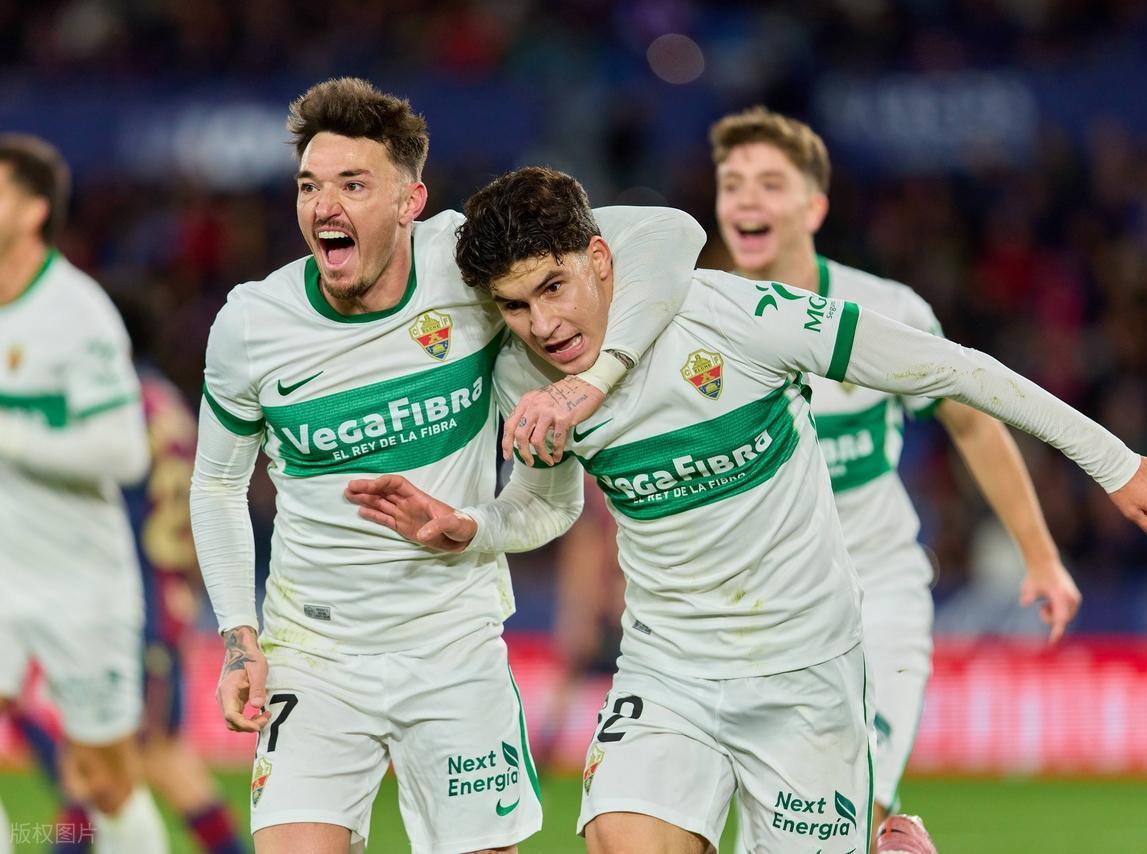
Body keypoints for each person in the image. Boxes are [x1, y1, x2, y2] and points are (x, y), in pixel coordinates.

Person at [345, 166, 1147, 854]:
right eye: (515, 306)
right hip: (668, 670)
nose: (541, 324)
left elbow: (952, 367)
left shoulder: (737, 317)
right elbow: (547, 507)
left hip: (806, 674)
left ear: (601, 259)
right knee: (621, 838)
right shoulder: (525, 376)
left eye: (553, 287)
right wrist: (478, 528)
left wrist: (1117, 463)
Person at [191, 78, 704, 854]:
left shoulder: (464, 268)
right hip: (314, 656)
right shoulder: (252, 326)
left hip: (453, 649)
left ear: (411, 201)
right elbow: (217, 483)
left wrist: (584, 391)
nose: (324, 206)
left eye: (353, 185)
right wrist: (240, 636)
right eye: (309, 186)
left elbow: (669, 234)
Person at [709, 105, 1083, 845]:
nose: (747, 199)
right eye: (732, 184)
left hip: (877, 588)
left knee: (855, 791)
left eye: (770, 184)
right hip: (755, 608)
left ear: (814, 207)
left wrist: (1040, 556)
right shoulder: (695, 319)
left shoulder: (883, 309)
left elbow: (973, 422)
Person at [14, 292, 246, 854]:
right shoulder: (168, 403)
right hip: (167, 603)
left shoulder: (116, 407)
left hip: (125, 604)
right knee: (154, 759)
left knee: (101, 767)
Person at [0, 135, 168, 852]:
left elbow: (124, 452)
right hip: (2, 570)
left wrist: (10, 436)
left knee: (105, 778)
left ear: (33, 211)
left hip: (79, 579)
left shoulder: (76, 311)